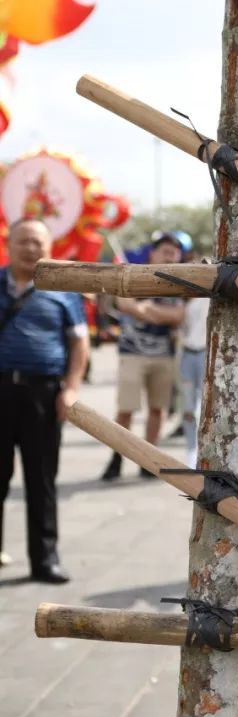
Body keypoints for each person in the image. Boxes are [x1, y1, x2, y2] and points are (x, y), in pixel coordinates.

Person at [0, 219, 89, 583]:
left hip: (43, 395)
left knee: (42, 480)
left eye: (37, 242)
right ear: (10, 243)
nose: (30, 248)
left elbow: (79, 342)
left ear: (48, 247)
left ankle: (45, 559)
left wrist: (71, 388)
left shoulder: (63, 287)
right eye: (24, 241)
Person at [101, 233, 185, 481]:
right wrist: (158, 313)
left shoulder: (180, 281)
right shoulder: (133, 274)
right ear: (153, 253)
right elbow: (124, 305)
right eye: (165, 251)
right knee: (125, 410)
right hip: (132, 353)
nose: (170, 256)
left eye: (174, 252)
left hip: (163, 356)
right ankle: (116, 458)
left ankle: (149, 461)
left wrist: (145, 311)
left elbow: (178, 316)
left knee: (157, 410)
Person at [178, 275, 210, 468]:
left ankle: (203, 452)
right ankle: (191, 451)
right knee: (188, 405)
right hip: (188, 354)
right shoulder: (185, 301)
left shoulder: (210, 299)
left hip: (206, 353)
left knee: (205, 405)